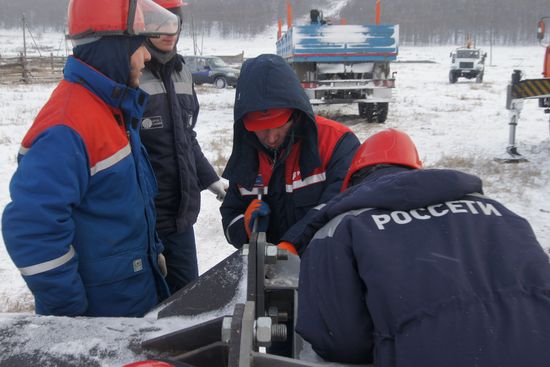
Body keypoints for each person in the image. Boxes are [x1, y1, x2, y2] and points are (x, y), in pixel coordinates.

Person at [296, 128, 550, 366]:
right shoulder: (498, 211)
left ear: (351, 182)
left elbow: (339, 340)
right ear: (417, 170)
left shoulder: (340, 228)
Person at [1, 0, 181, 317]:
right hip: (100, 318)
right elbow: (32, 230)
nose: (147, 56)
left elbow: (113, 208)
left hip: (129, 299)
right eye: (139, 46)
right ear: (114, 49)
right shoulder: (67, 126)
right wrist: (70, 316)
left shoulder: (110, 111)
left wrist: (148, 255)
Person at [220, 54, 360, 254]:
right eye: (261, 129)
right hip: (270, 271)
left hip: (327, 265)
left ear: (295, 114)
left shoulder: (336, 143)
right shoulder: (247, 156)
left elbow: (340, 208)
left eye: (278, 126)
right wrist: (245, 226)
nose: (271, 138)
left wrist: (293, 244)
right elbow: (229, 218)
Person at [139, 0, 226, 293]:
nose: (168, 31)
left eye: (174, 22)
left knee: (187, 303)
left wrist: (211, 179)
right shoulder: (131, 73)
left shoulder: (182, 72)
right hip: (145, 222)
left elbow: (186, 137)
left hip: (181, 219)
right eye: (158, 23)